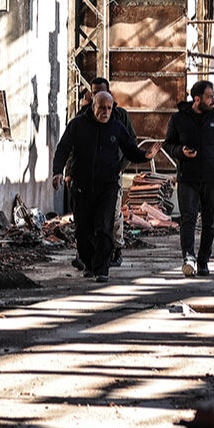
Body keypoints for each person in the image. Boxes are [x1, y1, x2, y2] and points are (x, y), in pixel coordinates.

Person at [52, 91, 159, 282]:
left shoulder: (116, 127)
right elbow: (63, 148)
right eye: (102, 107)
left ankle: (102, 269)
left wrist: (145, 156)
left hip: (107, 185)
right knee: (83, 229)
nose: (106, 112)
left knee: (104, 227)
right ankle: (89, 263)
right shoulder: (78, 125)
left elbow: (130, 150)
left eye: (109, 108)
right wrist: (58, 171)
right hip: (82, 186)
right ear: (93, 106)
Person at [163, 80, 214, 277]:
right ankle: (188, 257)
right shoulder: (179, 119)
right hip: (188, 178)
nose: (213, 99)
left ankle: (203, 260)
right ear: (197, 99)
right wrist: (181, 151)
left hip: (213, 179)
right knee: (187, 219)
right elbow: (168, 145)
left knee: (210, 221)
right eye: (209, 96)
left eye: (213, 96)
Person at [77, 77, 135, 267]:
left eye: (102, 91)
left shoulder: (120, 117)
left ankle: (115, 250)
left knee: (113, 214)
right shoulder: (82, 117)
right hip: (87, 177)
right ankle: (88, 255)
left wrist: (121, 166)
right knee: (87, 217)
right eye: (94, 92)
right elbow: (72, 146)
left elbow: (131, 143)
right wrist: (70, 171)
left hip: (111, 174)